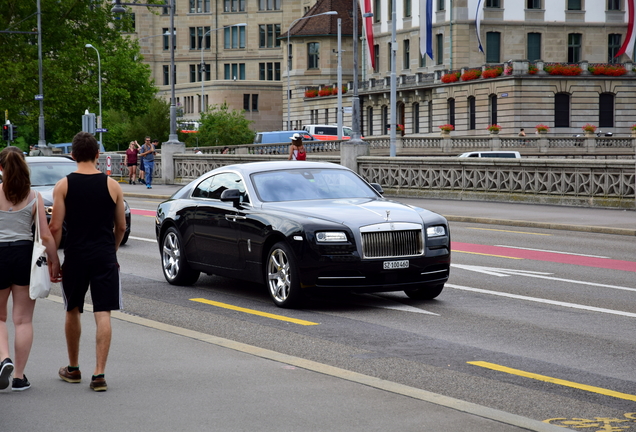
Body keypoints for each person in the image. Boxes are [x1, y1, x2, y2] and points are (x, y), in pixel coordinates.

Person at [49, 132, 126, 392]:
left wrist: (54, 260)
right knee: (102, 312)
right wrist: (111, 249)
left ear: (72, 155)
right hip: (104, 256)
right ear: (97, 155)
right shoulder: (112, 185)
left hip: (76, 255)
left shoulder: (63, 186)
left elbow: (56, 226)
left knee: (73, 309)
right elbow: (121, 226)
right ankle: (99, 374)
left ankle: (73, 368)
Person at [0, 146, 61, 392]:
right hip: (24, 255)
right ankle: (19, 377)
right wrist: (55, 261)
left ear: (1, 168)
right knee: (23, 320)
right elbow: (45, 237)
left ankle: (4, 358)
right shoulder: (34, 197)